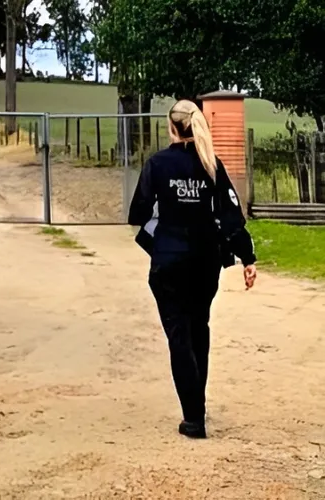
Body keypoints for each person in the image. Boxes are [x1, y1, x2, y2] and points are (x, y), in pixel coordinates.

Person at [128, 99, 258, 439]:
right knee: (199, 328)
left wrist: (158, 234)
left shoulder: (157, 164)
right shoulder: (212, 164)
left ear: (171, 128)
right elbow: (232, 218)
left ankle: (193, 417)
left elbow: (138, 213)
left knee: (179, 335)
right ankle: (197, 410)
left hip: (169, 261)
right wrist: (248, 258)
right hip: (205, 261)